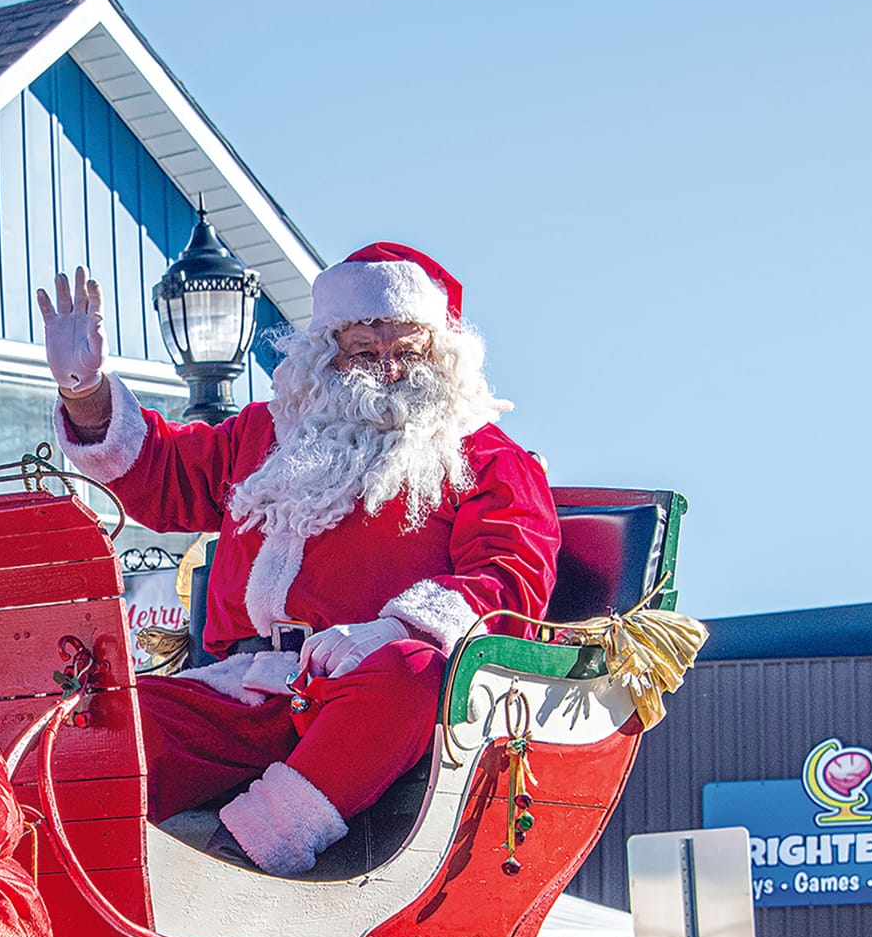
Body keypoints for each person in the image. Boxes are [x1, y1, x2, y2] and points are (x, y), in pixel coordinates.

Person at [36, 245, 559, 873]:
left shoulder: (486, 456)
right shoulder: (263, 433)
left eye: (408, 351)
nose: (388, 368)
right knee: (99, 730)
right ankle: (56, 883)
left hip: (365, 692)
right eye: (366, 351)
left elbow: (509, 573)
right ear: (328, 351)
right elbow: (163, 475)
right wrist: (86, 391)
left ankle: (249, 853)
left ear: (442, 355)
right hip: (244, 691)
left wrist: (391, 630)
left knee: (418, 672)